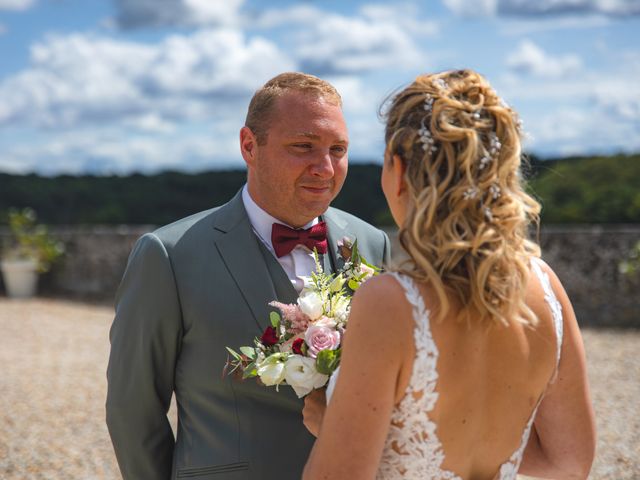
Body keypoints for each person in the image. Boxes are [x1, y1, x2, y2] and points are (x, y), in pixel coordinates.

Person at [302, 69, 596, 479]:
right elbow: (569, 462)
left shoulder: (390, 302)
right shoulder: (545, 286)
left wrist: (334, 425)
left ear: (399, 171)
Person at [106, 72, 391, 480]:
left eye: (338, 149)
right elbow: (132, 410)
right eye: (304, 146)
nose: (325, 167)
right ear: (249, 146)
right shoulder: (169, 256)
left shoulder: (371, 243)